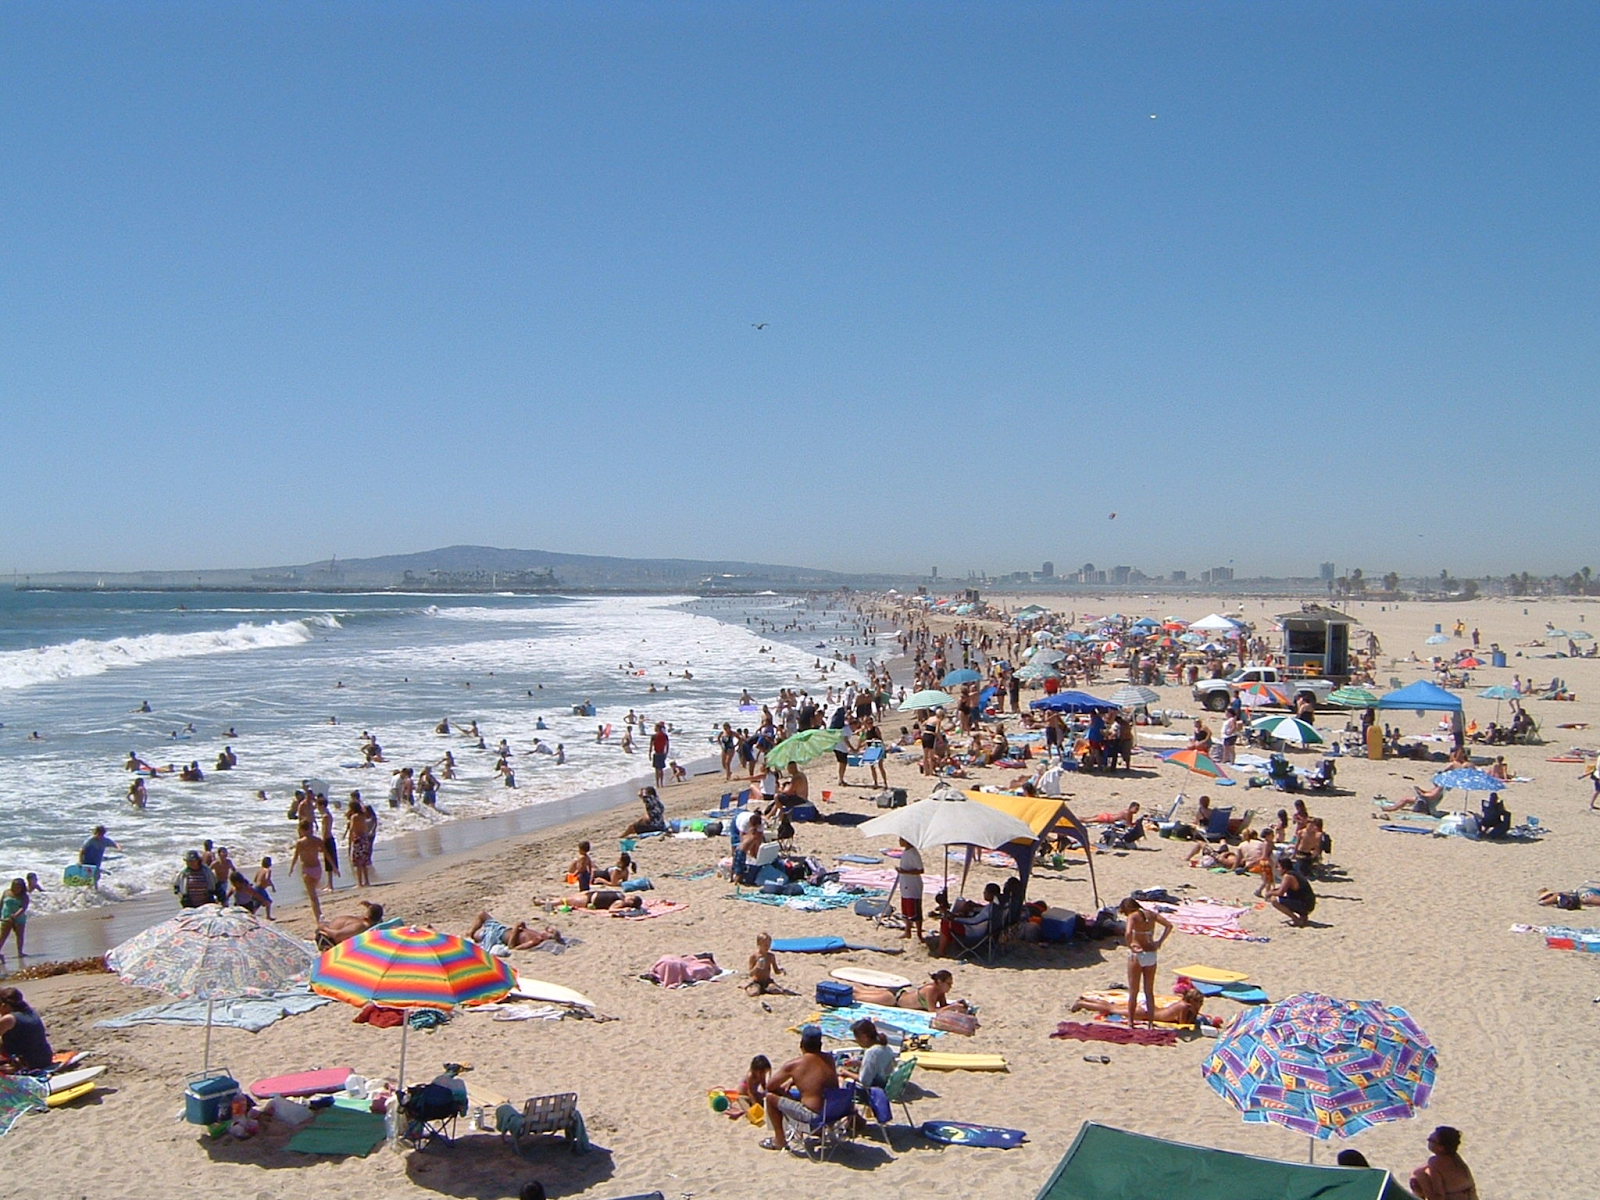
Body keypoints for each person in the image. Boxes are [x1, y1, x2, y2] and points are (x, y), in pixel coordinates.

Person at [761, 1026, 840, 1151]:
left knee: (770, 1097)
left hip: (813, 1115)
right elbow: (817, 1077)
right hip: (835, 1110)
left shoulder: (795, 1065)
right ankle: (818, 1131)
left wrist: (791, 1078)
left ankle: (779, 1140)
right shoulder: (829, 1059)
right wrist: (793, 1081)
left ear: (801, 1044)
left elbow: (770, 1086)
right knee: (803, 1095)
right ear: (820, 1044)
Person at [1120, 896, 1173, 1029]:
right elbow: (1169, 925)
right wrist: (1159, 942)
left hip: (1138, 954)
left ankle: (1131, 1022)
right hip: (1151, 953)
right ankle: (1150, 1023)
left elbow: (1127, 933)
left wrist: (1130, 945)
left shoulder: (1133, 916)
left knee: (1134, 991)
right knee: (1149, 991)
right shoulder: (1151, 914)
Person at [1071, 986, 1208, 1026]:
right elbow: (1183, 1023)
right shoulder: (1184, 1007)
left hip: (1150, 1008)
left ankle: (1087, 1001)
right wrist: (1195, 1013)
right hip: (1147, 1013)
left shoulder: (1182, 1003)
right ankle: (1083, 1003)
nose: (1200, 1005)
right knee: (1111, 1009)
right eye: (1199, 1003)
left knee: (1112, 1006)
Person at [1409, 1126, 1478, 1200]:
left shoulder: (1435, 1162)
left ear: (1441, 1147)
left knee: (1417, 1177)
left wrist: (1419, 1176)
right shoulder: (1455, 1158)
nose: (1428, 1142)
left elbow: (1439, 1196)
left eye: (1430, 1140)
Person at [851, 969, 967, 1013]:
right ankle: (839, 991)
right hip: (894, 999)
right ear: (940, 982)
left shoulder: (940, 991)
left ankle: (846, 988)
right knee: (858, 997)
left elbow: (943, 1006)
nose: (950, 987)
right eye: (949, 984)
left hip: (899, 993)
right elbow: (932, 1010)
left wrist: (955, 1006)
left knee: (863, 991)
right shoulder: (931, 990)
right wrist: (952, 1007)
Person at [0, 988, 53, 1071]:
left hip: (26, 1064)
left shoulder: (9, 1019)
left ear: (4, 1005)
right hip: (45, 1058)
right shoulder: (30, 1012)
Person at [466, 910, 563, 953]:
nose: (544, 930)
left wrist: (516, 929)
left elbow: (512, 947)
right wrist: (523, 927)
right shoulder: (537, 935)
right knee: (482, 914)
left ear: (547, 937)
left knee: (475, 935)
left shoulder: (535, 941)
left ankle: (471, 935)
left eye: (547, 932)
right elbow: (524, 933)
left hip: (498, 936)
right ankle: (471, 934)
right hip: (502, 929)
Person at [291, 820, 326, 922]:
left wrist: (292, 868)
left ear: (301, 830)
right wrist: (334, 867)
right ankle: (319, 914)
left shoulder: (300, 842)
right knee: (314, 894)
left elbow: (296, 856)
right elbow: (326, 853)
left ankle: (319, 917)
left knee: (313, 897)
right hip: (317, 869)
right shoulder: (317, 840)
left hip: (307, 870)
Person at [316, 901, 385, 949]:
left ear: (367, 916)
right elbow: (378, 918)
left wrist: (323, 927)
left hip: (327, 939)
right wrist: (370, 907)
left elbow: (337, 935)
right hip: (333, 932)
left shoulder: (360, 926)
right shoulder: (375, 925)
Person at [895, 837, 924, 942]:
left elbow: (920, 870)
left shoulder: (913, 853)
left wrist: (905, 872)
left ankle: (919, 934)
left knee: (915, 909)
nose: (899, 841)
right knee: (906, 908)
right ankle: (908, 931)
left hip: (913, 885)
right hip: (905, 883)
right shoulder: (906, 852)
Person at [1271, 862, 1317, 926]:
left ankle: (1296, 920)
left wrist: (1269, 893)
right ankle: (1303, 916)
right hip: (1309, 905)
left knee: (1274, 900)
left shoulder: (1288, 876)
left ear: (1284, 869)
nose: (1277, 869)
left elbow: (1280, 893)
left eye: (1278, 867)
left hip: (1304, 906)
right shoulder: (1295, 874)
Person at [746, 931, 787, 995]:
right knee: (753, 993)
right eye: (765, 945)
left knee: (778, 991)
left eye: (768, 945)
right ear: (759, 944)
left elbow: (776, 970)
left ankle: (766, 989)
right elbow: (751, 974)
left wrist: (781, 970)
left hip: (767, 981)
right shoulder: (754, 957)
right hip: (757, 981)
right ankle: (749, 987)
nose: (767, 947)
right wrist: (757, 967)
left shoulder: (771, 956)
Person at [0, 880, 28, 961]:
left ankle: (20, 952)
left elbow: (23, 908)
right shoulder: (6, 893)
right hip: (6, 918)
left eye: (19, 887)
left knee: (19, 936)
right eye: (15, 886)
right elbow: (1, 904)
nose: (17, 888)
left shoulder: (24, 896)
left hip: (19, 919)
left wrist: (15, 915)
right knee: (2, 936)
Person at [650, 721, 670, 788]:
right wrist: (666, 753)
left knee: (656, 770)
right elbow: (667, 745)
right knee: (661, 769)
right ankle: (661, 783)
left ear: (658, 728)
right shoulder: (665, 736)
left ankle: (657, 784)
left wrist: (649, 754)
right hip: (662, 753)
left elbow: (651, 746)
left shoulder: (654, 736)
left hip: (656, 753)